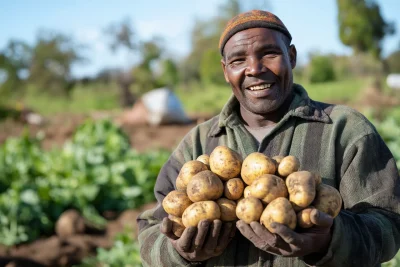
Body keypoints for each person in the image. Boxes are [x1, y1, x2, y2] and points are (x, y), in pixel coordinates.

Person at [137, 10, 400, 267]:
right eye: (238, 60)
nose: (254, 68)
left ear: (292, 57)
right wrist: (181, 254)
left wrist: (329, 242)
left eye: (269, 54)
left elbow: (390, 226)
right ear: (225, 70)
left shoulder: (345, 130)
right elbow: (149, 231)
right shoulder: (198, 141)